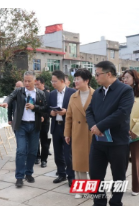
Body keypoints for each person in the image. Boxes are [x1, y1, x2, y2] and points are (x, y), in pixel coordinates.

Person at [86, 61, 134, 206]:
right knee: (95, 174)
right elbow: (89, 111)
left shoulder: (125, 90)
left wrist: (100, 126)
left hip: (118, 143)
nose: (95, 77)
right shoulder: (98, 92)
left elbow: (122, 113)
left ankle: (116, 201)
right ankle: (99, 202)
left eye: (97, 74)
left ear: (108, 74)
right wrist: (93, 126)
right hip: (98, 142)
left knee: (118, 176)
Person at [0, 71, 47, 188]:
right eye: (25, 80)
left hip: (34, 126)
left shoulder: (40, 94)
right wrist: (6, 102)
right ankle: (19, 177)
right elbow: (10, 97)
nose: (26, 83)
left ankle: (29, 173)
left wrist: (34, 107)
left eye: (29, 81)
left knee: (32, 151)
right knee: (21, 151)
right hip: (21, 126)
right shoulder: (19, 91)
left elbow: (44, 108)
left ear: (34, 81)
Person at [64, 69, 95, 199]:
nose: (75, 81)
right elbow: (69, 117)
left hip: (93, 132)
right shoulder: (73, 96)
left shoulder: (96, 94)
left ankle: (93, 189)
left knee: (94, 163)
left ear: (86, 81)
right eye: (75, 79)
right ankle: (81, 189)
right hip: (77, 133)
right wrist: (67, 133)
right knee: (78, 163)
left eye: (78, 79)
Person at [49, 70, 76, 187]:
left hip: (68, 127)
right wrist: (51, 113)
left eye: (54, 81)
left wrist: (67, 112)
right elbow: (47, 109)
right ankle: (61, 174)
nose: (53, 83)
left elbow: (78, 110)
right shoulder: (52, 94)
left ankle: (71, 177)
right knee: (58, 153)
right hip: (56, 126)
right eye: (52, 81)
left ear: (62, 81)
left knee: (68, 153)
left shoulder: (73, 93)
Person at [122, 69, 139, 196]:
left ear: (134, 78)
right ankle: (120, 185)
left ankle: (136, 187)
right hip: (121, 132)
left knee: (136, 162)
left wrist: (135, 130)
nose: (124, 79)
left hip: (136, 134)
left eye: (127, 77)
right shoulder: (120, 93)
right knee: (120, 162)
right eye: (123, 77)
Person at [35, 77, 50, 168]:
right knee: (35, 140)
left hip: (45, 122)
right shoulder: (34, 93)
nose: (36, 86)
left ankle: (44, 160)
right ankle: (37, 156)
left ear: (43, 84)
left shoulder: (48, 95)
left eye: (38, 84)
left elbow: (49, 108)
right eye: (35, 84)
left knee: (44, 141)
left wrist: (44, 117)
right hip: (35, 121)